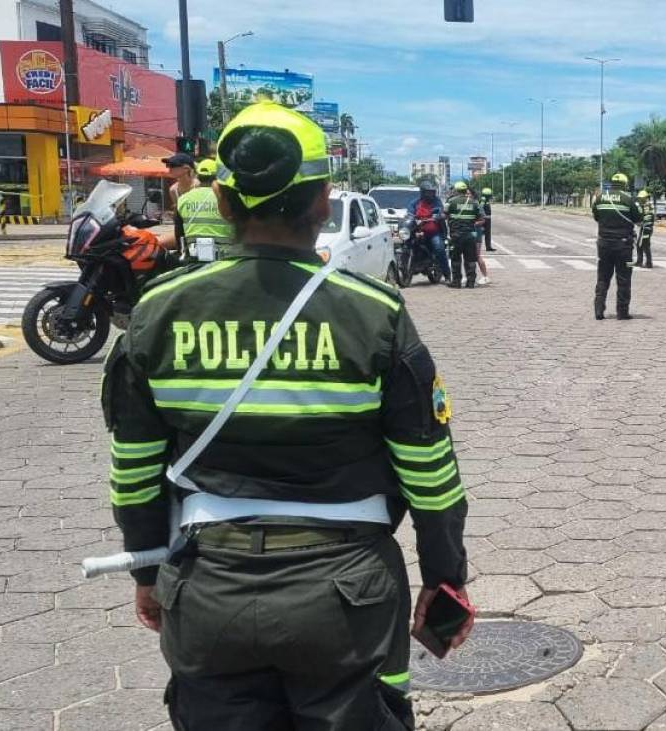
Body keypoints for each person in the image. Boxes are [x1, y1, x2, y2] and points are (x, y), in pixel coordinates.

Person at [104, 100, 470, 730]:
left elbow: (134, 467)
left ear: (221, 203)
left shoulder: (158, 308)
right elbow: (429, 470)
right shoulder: (373, 311)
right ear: (323, 201)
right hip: (349, 595)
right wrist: (445, 579)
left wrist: (146, 569)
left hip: (207, 588)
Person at [591, 173, 642, 320]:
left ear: (611, 183)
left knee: (603, 278)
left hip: (604, 244)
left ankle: (599, 309)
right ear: (625, 185)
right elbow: (639, 221)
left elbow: (596, 217)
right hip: (624, 246)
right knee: (624, 279)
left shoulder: (600, 198)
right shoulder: (628, 200)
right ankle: (622, 312)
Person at [174, 159, 235, 261]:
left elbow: (178, 231)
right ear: (217, 176)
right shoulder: (225, 198)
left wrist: (181, 251)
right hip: (225, 255)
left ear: (198, 177)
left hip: (194, 255)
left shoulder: (183, 199)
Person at [406, 180, 451, 282]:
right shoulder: (415, 202)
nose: (430, 194)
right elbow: (409, 213)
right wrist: (410, 218)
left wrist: (437, 216)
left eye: (431, 192)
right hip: (417, 231)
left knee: (439, 248)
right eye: (428, 192)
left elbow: (440, 210)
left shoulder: (437, 201)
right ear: (422, 192)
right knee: (405, 243)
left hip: (433, 232)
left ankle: (447, 275)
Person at [445, 181, 483, 288]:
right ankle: (470, 282)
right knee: (470, 259)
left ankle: (456, 282)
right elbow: (481, 219)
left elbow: (444, 215)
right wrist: (471, 222)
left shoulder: (450, 201)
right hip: (470, 235)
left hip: (456, 236)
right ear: (465, 190)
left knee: (456, 259)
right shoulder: (474, 203)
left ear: (456, 190)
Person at [634, 189, 655, 269]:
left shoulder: (646, 206)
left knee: (643, 245)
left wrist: (639, 222)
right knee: (643, 245)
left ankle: (647, 263)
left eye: (641, 198)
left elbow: (644, 217)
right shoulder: (648, 205)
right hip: (647, 228)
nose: (640, 200)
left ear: (645, 198)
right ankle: (641, 261)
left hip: (646, 228)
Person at [480, 187, 495, 251]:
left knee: (487, 233)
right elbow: (481, 208)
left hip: (487, 218)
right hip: (484, 218)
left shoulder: (486, 200)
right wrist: (484, 216)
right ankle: (486, 247)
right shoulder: (483, 200)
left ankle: (488, 247)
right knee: (481, 232)